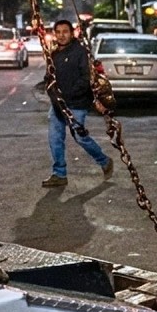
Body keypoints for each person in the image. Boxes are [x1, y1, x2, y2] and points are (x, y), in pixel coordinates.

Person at [41, 19, 113, 188]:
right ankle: (59, 173)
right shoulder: (54, 54)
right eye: (57, 32)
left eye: (64, 32)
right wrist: (52, 92)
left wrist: (68, 95)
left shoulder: (80, 52)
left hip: (76, 103)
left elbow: (85, 79)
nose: (61, 35)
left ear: (71, 33)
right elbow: (49, 77)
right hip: (57, 105)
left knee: (80, 137)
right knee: (55, 138)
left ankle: (104, 160)